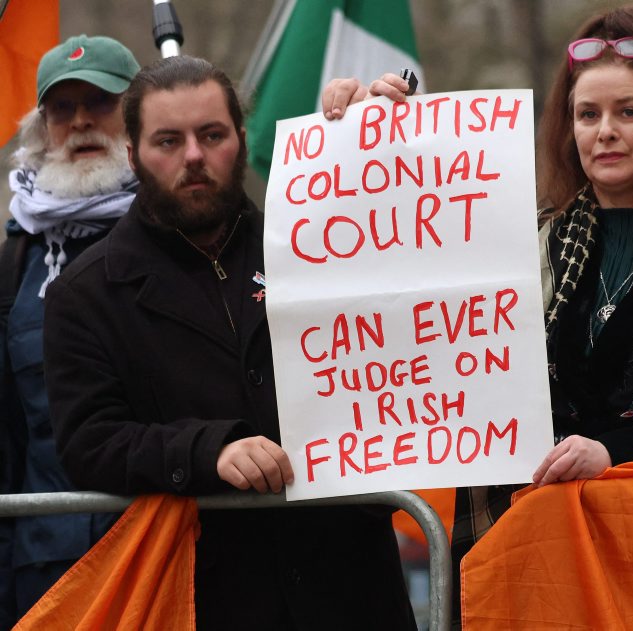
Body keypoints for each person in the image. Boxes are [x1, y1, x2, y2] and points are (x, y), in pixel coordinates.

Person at [323, 3, 633, 624]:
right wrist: (370, 144)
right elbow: (407, 299)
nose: (605, 132)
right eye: (588, 114)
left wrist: (613, 454)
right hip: (516, 558)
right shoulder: (517, 244)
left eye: (629, 112)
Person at [41, 56, 416, 630]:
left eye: (212, 135)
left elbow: (418, 287)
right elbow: (90, 443)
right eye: (169, 141)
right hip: (211, 598)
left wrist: (379, 145)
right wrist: (207, 452)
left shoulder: (324, 243)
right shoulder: (85, 294)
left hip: (353, 592)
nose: (193, 156)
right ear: (133, 155)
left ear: (241, 139)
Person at [0, 34, 140, 627]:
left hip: (163, 551)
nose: (81, 121)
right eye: (62, 108)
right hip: (47, 572)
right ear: (42, 130)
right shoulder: (15, 262)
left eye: (101, 102)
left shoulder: (185, 233)